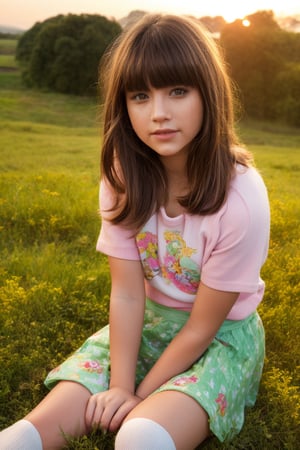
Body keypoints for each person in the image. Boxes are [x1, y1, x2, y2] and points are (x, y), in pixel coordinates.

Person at [0, 13, 270, 450]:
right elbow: (127, 294)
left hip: (219, 337)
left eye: (178, 91)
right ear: (123, 105)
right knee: (27, 435)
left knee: (139, 435)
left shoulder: (242, 197)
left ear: (209, 93)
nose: (159, 113)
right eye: (140, 95)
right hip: (146, 324)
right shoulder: (123, 177)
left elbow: (202, 327)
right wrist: (120, 385)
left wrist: (139, 399)